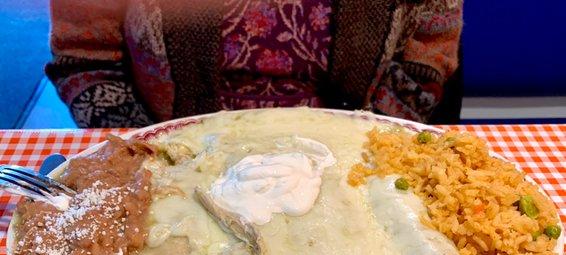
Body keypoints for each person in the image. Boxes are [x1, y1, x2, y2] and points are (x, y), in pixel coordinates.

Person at [46, 0, 463, 128]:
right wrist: (151, 155)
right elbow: (86, 59)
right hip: (170, 154)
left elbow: (424, 58)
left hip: (354, 155)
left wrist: (366, 147)